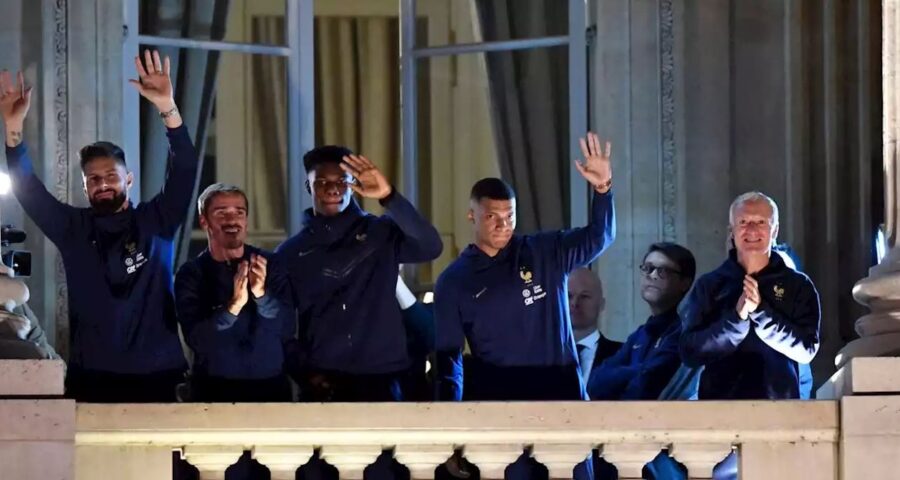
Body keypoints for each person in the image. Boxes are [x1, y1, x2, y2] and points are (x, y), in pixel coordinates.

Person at [0, 51, 199, 402]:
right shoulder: (72, 229)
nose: (103, 183)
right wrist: (13, 129)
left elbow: (183, 170)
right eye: (93, 178)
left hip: (159, 376)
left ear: (130, 179)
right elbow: (28, 189)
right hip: (93, 378)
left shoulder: (157, 221)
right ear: (85, 186)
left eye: (111, 176)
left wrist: (168, 107)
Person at [434, 132, 615, 403]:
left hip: (560, 388)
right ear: (472, 215)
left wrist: (603, 190)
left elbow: (600, 237)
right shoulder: (455, 280)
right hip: (500, 395)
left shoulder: (544, 251)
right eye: (492, 216)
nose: (502, 225)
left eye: (509, 216)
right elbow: (449, 357)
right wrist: (449, 416)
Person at [273, 146, 443, 402]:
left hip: (386, 377)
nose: (333, 189)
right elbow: (280, 328)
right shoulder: (290, 253)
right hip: (325, 381)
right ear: (308, 187)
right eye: (322, 182)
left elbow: (431, 246)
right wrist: (305, 373)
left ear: (354, 184)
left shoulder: (381, 232)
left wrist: (389, 196)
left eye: (342, 181)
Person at [680, 192, 821, 400]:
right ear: (732, 231)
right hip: (719, 410)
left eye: (761, 222)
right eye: (743, 221)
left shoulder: (798, 285)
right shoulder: (710, 285)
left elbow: (806, 349)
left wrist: (762, 315)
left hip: (779, 412)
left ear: (775, 230)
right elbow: (690, 352)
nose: (752, 230)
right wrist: (737, 320)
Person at [175, 184, 293, 402]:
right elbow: (198, 339)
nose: (232, 220)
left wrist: (261, 295)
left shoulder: (270, 264)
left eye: (239, 212)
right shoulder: (191, 274)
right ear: (204, 221)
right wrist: (233, 307)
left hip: (271, 390)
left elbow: (286, 328)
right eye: (221, 213)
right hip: (214, 392)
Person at [587, 242, 694, 401]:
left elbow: (642, 392)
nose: (652, 275)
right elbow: (594, 384)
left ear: (685, 283)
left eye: (663, 271)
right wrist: (641, 369)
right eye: (648, 268)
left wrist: (624, 374)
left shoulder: (684, 332)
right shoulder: (639, 334)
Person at [567, 267, 622, 384]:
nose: (574, 303)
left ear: (601, 304)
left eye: (584, 296)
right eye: (568, 296)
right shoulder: (540, 355)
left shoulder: (622, 355)